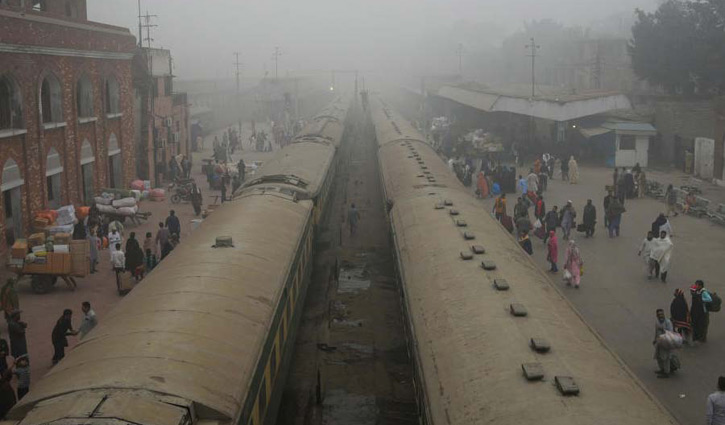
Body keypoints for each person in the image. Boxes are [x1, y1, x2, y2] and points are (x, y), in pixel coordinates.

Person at [653, 308, 674, 378]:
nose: (660, 316)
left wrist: (663, 330)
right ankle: (662, 369)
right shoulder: (657, 322)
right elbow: (656, 332)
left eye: (662, 314)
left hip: (666, 343)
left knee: (666, 358)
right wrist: (655, 339)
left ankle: (666, 372)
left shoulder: (668, 322)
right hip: (659, 342)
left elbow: (670, 332)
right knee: (659, 356)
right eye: (659, 314)